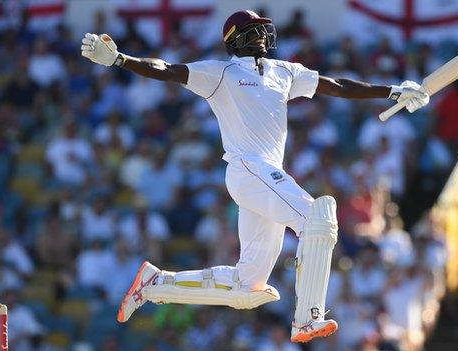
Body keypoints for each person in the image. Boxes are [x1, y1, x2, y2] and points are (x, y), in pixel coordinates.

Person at [81, 10, 429, 343]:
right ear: (234, 41)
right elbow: (168, 70)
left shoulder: (284, 71)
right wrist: (119, 59)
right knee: (316, 218)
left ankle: (155, 283)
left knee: (247, 288)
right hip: (247, 168)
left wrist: (392, 91)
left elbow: (336, 85)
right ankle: (307, 316)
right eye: (254, 30)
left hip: (264, 177)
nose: (263, 35)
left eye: (264, 29)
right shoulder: (221, 73)